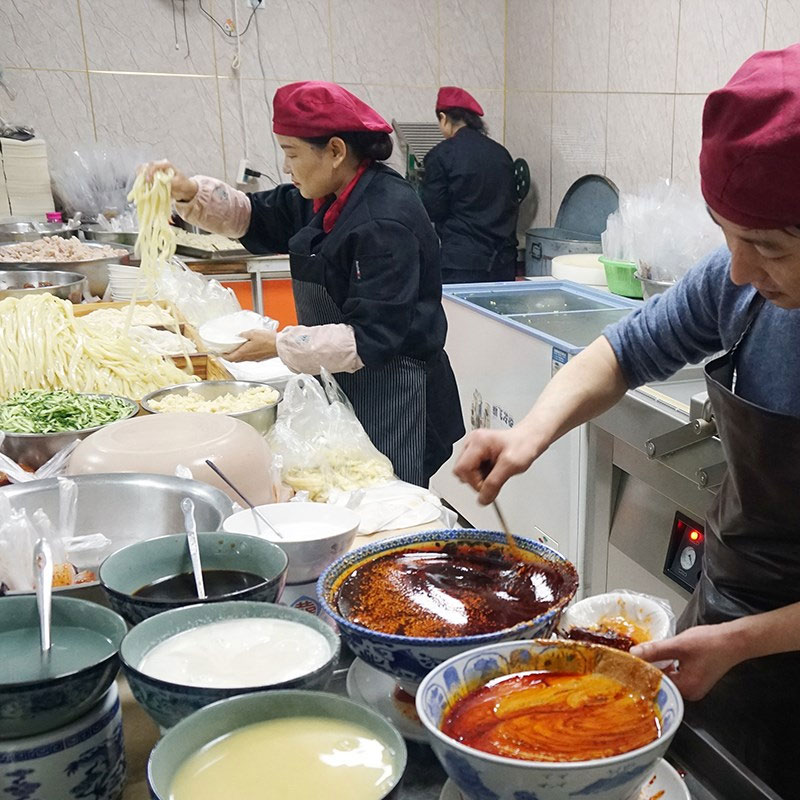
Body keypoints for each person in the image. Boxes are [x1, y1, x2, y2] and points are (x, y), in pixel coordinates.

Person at [454, 44, 800, 799]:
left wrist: (742, 642)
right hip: (728, 612)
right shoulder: (743, 283)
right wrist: (528, 436)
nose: (737, 271)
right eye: (727, 236)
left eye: (767, 247)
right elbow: (621, 351)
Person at [143, 81, 464, 488]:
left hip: (398, 393)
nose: (285, 166)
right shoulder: (326, 193)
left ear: (334, 151)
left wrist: (278, 345)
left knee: (390, 504)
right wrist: (189, 192)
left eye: (291, 153)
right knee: (351, 490)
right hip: (349, 383)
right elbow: (256, 216)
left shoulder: (384, 219)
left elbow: (372, 338)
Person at [421, 87, 518, 284]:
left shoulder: (441, 155)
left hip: (462, 263)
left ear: (443, 117)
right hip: (504, 262)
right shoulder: (501, 153)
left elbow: (433, 209)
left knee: (459, 315)